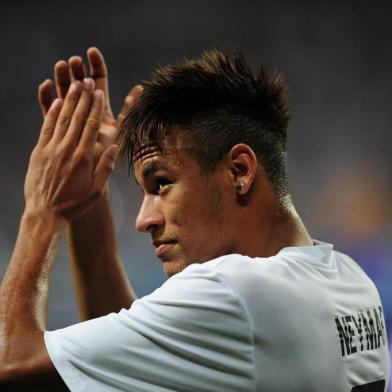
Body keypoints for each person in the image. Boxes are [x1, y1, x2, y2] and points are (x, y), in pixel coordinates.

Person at [0, 47, 389, 391]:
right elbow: (131, 353)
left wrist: (42, 209)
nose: (144, 219)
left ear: (239, 170)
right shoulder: (350, 279)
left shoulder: (235, 292)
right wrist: (89, 197)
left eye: (162, 183)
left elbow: (12, 362)